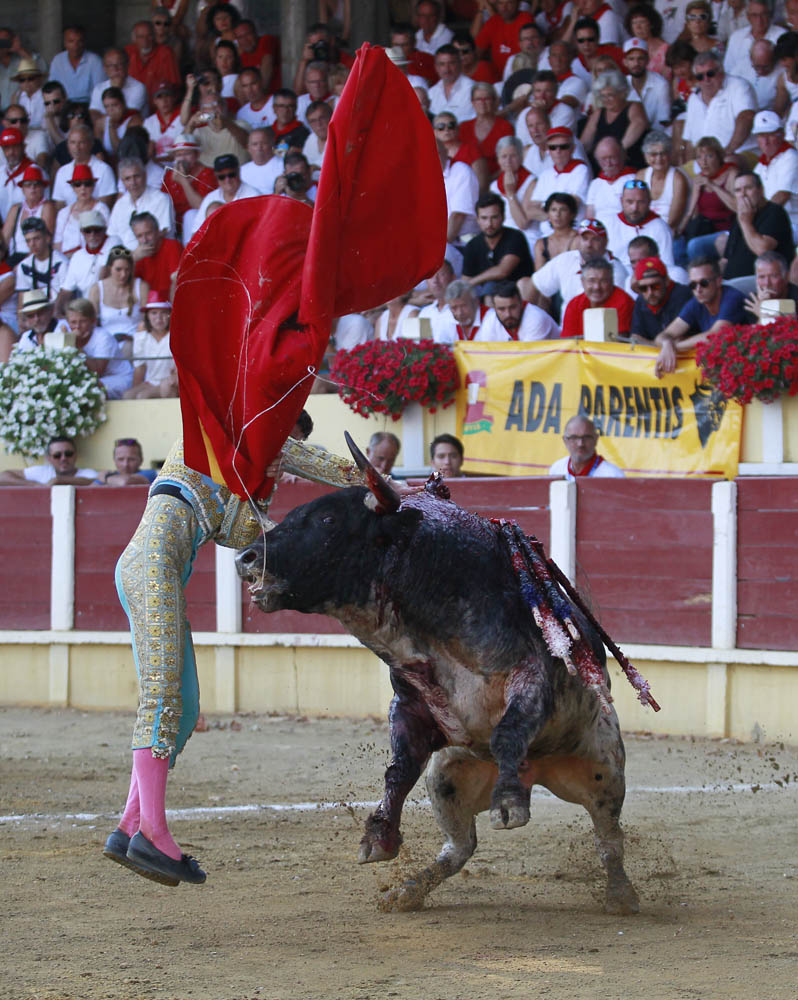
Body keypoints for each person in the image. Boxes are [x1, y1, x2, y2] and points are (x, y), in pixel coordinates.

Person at [104, 434, 365, 886]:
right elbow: (328, 466)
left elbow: (239, 534)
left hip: (158, 570)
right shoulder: (216, 430)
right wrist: (379, 484)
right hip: (151, 566)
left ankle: (130, 825)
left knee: (182, 709)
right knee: (163, 702)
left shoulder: (236, 468)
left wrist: (264, 481)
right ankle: (153, 831)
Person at [654, 256, 747, 377]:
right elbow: (662, 336)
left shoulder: (732, 298)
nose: (698, 289)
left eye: (704, 283)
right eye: (693, 285)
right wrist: (667, 344)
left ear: (718, 281)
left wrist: (674, 347)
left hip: (743, 367)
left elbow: (714, 335)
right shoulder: (695, 303)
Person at [526, 217, 628, 318]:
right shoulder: (567, 259)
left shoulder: (616, 270)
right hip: (567, 328)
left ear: (605, 242)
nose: (589, 244)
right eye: (585, 238)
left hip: (602, 327)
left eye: (595, 239)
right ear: (578, 240)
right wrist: (528, 319)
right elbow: (536, 284)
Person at [679, 51, 756, 164]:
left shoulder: (739, 86)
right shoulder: (693, 99)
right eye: (700, 76)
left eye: (710, 74)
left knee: (730, 162)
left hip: (738, 153)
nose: (706, 80)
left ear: (721, 72)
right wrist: (688, 167)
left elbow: (747, 117)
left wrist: (728, 151)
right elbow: (690, 141)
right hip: (705, 162)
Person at [720, 171, 796, 280]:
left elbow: (762, 250)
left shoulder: (774, 212)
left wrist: (745, 222)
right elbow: (726, 259)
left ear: (761, 190)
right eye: (738, 190)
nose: (743, 194)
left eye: (748, 188)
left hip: (763, 281)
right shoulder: (740, 216)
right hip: (730, 281)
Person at [675, 135, 739, 265]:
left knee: (695, 246)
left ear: (719, 157)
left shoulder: (731, 173)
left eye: (709, 156)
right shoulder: (699, 179)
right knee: (676, 244)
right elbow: (692, 214)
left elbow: (737, 207)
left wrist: (713, 186)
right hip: (704, 228)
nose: (704, 162)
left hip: (725, 231)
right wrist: (680, 228)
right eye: (699, 157)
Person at [462, 191, 533, 296]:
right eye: (484, 218)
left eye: (494, 217)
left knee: (490, 287)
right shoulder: (472, 245)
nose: (489, 224)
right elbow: (465, 280)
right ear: (477, 219)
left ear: (503, 217)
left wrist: (472, 282)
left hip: (517, 295)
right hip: (487, 296)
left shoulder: (515, 237)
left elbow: (503, 271)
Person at [61, 295, 133, 397]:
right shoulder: (65, 334)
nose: (77, 326)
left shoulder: (103, 337)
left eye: (83, 321)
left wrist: (76, 345)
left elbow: (96, 372)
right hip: (91, 379)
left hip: (118, 378)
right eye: (73, 322)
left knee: (89, 386)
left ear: (93, 321)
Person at [579, 67, 649, 171]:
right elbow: (584, 144)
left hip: (628, 165)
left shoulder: (634, 107)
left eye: (610, 95)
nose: (606, 100)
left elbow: (639, 124)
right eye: (602, 96)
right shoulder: (598, 113)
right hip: (601, 166)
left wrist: (615, 153)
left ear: (622, 93)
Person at [88, 244, 149, 357]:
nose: (123, 275)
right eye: (118, 270)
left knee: (128, 348)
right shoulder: (97, 289)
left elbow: (147, 321)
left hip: (135, 343)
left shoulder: (141, 286)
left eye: (127, 270)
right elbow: (92, 324)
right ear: (109, 268)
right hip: (106, 344)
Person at [603, 178, 675, 271]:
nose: (634, 208)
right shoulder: (608, 224)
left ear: (649, 202)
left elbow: (667, 267)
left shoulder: (661, 228)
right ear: (621, 201)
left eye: (641, 202)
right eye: (629, 202)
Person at [751, 110, 798, 242]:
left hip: (793, 223)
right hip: (772, 223)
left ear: (781, 135)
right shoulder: (760, 165)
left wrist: (759, 221)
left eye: (770, 135)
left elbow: (782, 196)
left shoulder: (791, 157)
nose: (765, 141)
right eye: (761, 136)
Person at [560, 256, 635, 338]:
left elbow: (618, 342)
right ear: (582, 282)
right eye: (591, 281)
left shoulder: (623, 302)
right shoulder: (574, 304)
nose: (597, 287)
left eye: (603, 281)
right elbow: (567, 341)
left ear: (612, 281)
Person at [161, 134, 218, 239]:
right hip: (174, 226)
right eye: (178, 155)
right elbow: (162, 203)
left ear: (196, 155)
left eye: (187, 154)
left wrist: (183, 181)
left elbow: (202, 207)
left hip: (197, 226)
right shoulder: (169, 174)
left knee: (190, 215)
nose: (182, 158)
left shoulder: (208, 173)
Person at [52, 124, 117, 211]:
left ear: (91, 144)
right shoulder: (62, 172)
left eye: (81, 142)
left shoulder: (104, 170)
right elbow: (59, 207)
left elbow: (105, 207)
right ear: (67, 145)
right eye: (73, 142)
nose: (76, 147)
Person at [191, 154, 260, 236]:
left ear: (238, 172)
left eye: (231, 175)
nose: (227, 180)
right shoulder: (210, 198)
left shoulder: (253, 196)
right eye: (222, 176)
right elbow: (196, 233)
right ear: (216, 177)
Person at [629, 256, 693, 342]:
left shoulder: (683, 296)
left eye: (655, 286)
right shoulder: (640, 300)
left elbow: (680, 340)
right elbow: (635, 338)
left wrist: (650, 343)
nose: (650, 292)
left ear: (667, 281)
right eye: (643, 288)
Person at [636, 131, 690, 233]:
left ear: (669, 155)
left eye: (663, 153)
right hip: (642, 230)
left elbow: (673, 220)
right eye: (653, 154)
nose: (659, 159)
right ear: (646, 157)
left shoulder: (677, 179)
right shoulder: (641, 176)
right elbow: (635, 210)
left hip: (667, 232)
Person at [125, 291, 176, 398]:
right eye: (154, 313)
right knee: (128, 396)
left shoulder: (175, 335)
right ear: (147, 316)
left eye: (163, 313)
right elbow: (140, 367)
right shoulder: (143, 337)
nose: (159, 318)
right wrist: (135, 388)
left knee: (143, 396)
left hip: (170, 382)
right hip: (151, 382)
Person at [56, 209, 112, 305]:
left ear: (104, 230)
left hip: (109, 304)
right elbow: (66, 290)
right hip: (87, 309)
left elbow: (104, 274)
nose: (92, 235)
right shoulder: (78, 257)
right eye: (88, 231)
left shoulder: (114, 242)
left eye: (97, 230)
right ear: (82, 232)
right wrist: (57, 314)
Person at [2, 164, 55, 265]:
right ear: (23, 189)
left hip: (38, 257)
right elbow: (4, 241)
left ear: (43, 188)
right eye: (28, 185)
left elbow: (45, 241)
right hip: (15, 257)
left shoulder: (47, 207)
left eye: (37, 184)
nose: (33, 188)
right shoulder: (16, 209)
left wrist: (23, 264)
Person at [457, 82, 513, 177]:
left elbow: (509, 160)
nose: (482, 103)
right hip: (466, 179)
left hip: (497, 180)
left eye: (486, 99)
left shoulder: (505, 127)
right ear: (472, 102)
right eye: (478, 99)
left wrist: (489, 181)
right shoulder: (463, 127)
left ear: (494, 101)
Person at [15, 217, 68, 315]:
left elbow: (64, 297)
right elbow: (21, 300)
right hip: (33, 314)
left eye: (36, 238)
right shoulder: (23, 266)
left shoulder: (61, 263)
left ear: (47, 238)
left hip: (56, 313)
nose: (32, 244)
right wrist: (21, 320)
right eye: (28, 241)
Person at [478, 278, 560, 340]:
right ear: (494, 308)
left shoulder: (536, 318)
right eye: (501, 309)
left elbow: (531, 359)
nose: (508, 314)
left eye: (512, 307)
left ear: (521, 303)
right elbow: (487, 356)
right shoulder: (489, 321)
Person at [0, 435, 98, 486]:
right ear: (48, 458)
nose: (63, 458)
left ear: (75, 455)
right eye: (57, 455)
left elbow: (95, 481)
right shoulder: (41, 472)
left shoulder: (88, 473)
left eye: (68, 454)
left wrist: (59, 480)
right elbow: (3, 477)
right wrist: (34, 485)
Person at [723, 0, 785, 80]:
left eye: (763, 14)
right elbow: (728, 70)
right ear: (748, 17)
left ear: (769, 15)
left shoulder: (782, 36)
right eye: (754, 15)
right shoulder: (736, 37)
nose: (759, 20)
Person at [548, 415, 624, 479]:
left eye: (586, 437)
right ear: (565, 441)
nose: (580, 444)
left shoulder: (612, 475)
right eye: (574, 437)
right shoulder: (557, 469)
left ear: (596, 439)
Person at [125, 20, 180, 104]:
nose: (145, 41)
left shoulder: (165, 53)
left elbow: (174, 86)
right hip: (133, 105)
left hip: (158, 106)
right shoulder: (127, 52)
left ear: (155, 36)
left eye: (149, 36)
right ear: (134, 39)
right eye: (140, 37)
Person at [48, 25, 104, 105]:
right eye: (71, 41)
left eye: (79, 41)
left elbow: (100, 91)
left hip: (89, 106)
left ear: (84, 42)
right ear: (64, 43)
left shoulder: (95, 61)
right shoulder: (58, 60)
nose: (76, 46)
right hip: (63, 106)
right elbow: (52, 89)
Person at [89, 48, 148, 122]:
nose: (115, 69)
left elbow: (126, 117)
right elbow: (94, 114)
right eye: (110, 65)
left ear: (127, 65)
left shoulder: (138, 87)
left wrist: (117, 88)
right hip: (107, 129)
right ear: (105, 68)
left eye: (119, 64)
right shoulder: (98, 88)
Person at [585, 136, 636, 221]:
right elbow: (589, 217)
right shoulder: (596, 184)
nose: (608, 163)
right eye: (603, 159)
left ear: (622, 155)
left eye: (612, 158)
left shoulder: (633, 180)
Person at [742, 250, 798, 322]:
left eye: (773, 276)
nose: (767, 283)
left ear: (786, 277)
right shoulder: (753, 302)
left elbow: (789, 330)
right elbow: (755, 332)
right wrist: (764, 307)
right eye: (762, 277)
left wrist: (764, 313)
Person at [428, 44, 475, 122]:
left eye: (451, 63)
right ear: (436, 67)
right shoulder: (431, 93)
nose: (447, 69)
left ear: (460, 64)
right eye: (442, 64)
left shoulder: (472, 89)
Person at [94, 86, 144, 159]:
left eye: (114, 105)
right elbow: (98, 151)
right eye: (106, 106)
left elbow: (121, 151)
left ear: (123, 103)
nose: (111, 110)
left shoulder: (135, 121)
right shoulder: (100, 123)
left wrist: (111, 128)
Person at [533, 193, 578, 270]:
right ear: (548, 214)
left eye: (563, 210)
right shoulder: (541, 244)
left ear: (572, 214)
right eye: (553, 210)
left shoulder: (579, 239)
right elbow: (539, 276)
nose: (557, 214)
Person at [624, 4, 669, 76]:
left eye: (642, 22)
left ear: (651, 24)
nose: (638, 27)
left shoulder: (665, 49)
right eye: (634, 23)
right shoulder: (629, 48)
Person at [240, 127, 282, 194]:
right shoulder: (241, 171)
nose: (259, 148)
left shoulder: (283, 166)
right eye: (255, 144)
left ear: (272, 145)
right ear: (248, 148)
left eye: (264, 143)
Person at [302, 101, 332, 179]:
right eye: (313, 121)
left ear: (332, 117)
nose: (318, 124)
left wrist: (318, 168)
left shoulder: (341, 138)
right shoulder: (311, 139)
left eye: (322, 118)